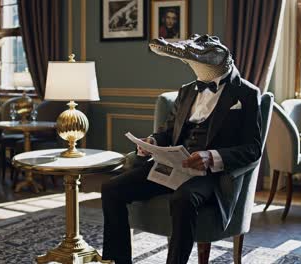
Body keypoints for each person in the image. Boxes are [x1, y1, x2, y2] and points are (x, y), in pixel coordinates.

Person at [101, 34, 262, 264]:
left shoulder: (247, 94)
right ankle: (117, 261)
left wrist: (211, 157)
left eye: (203, 42)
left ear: (222, 53)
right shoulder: (186, 90)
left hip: (209, 175)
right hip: (172, 165)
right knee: (111, 189)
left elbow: (253, 148)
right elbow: (167, 132)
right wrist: (154, 142)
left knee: (183, 199)